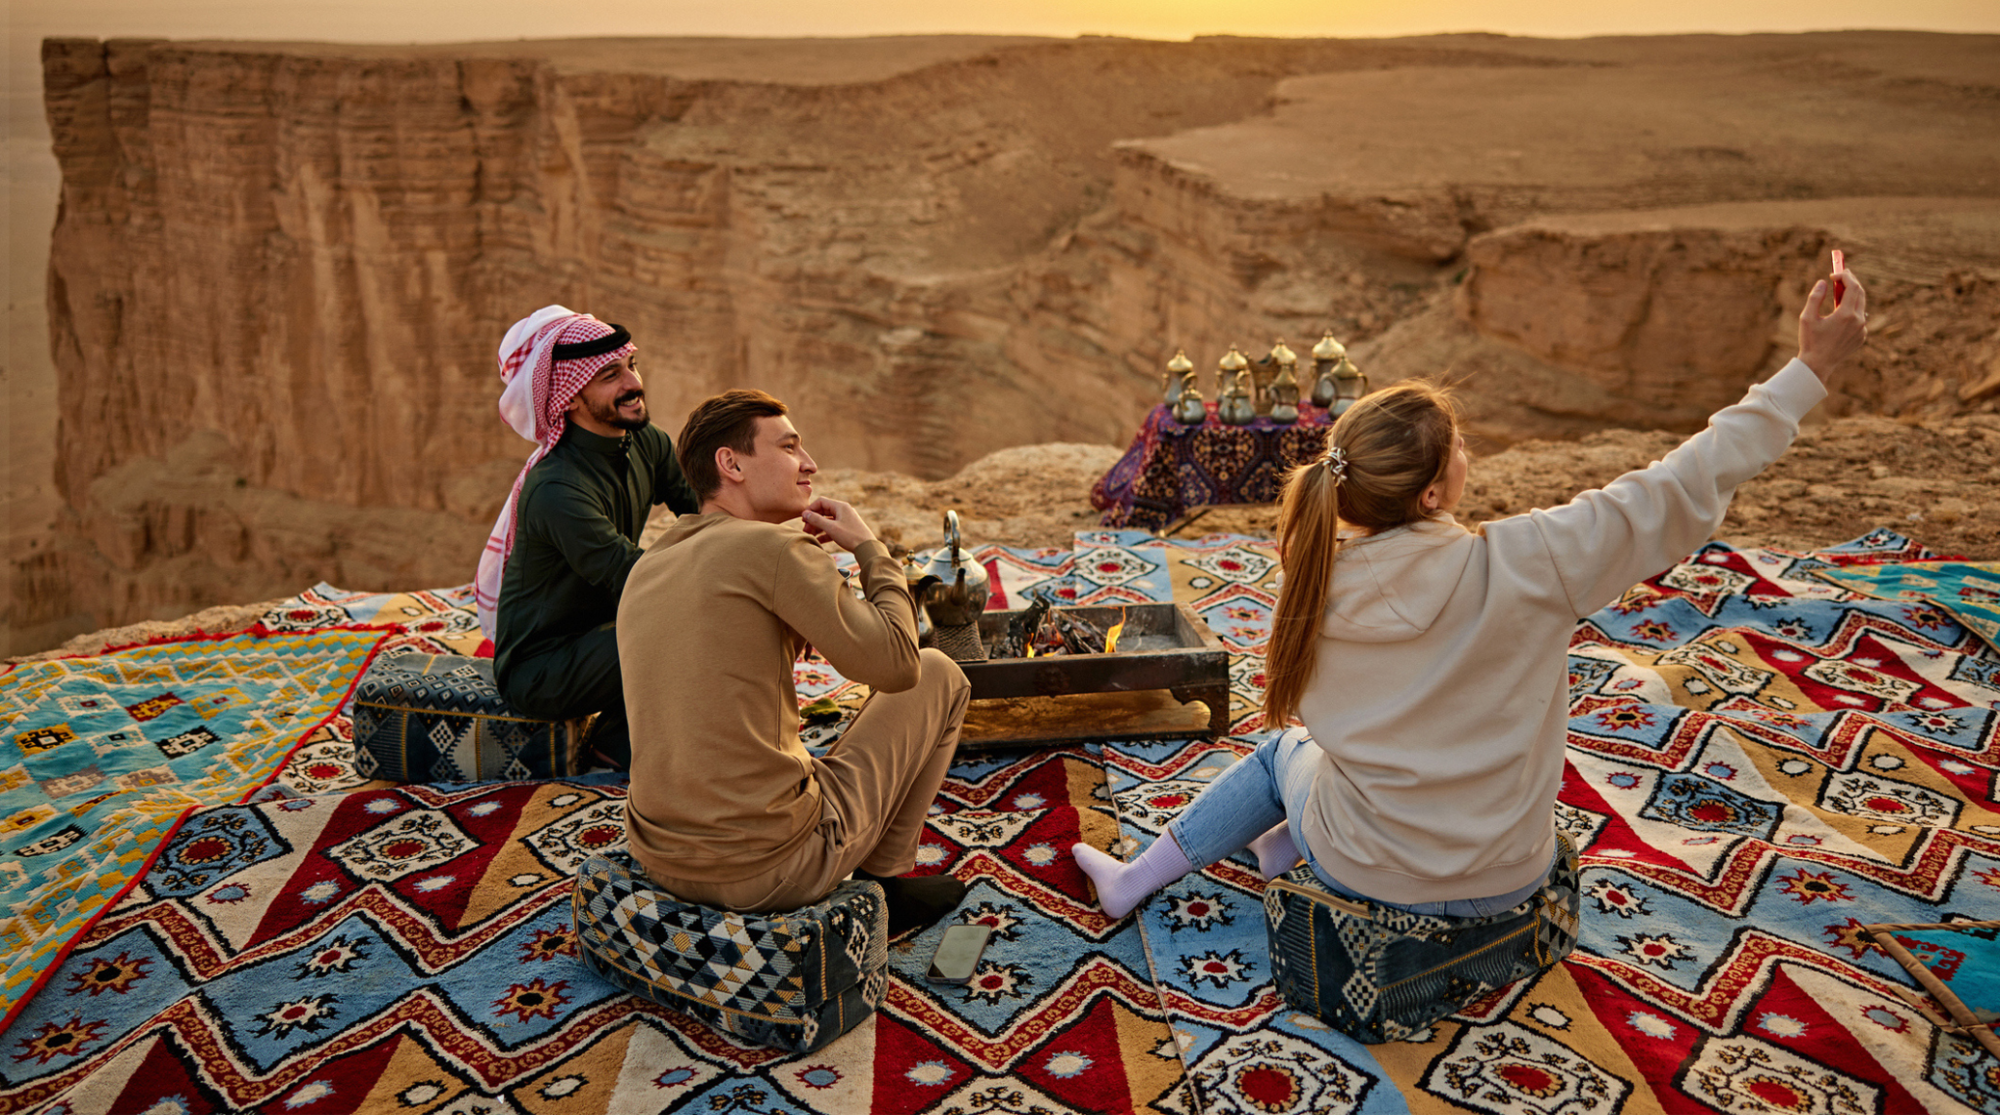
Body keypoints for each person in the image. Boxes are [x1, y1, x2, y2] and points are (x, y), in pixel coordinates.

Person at [1074, 265, 1870, 929]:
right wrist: (1809, 370)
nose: (1468, 450)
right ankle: (1283, 847)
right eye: (1458, 445)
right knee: (1328, 760)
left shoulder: (1312, 576)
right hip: (1507, 877)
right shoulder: (1533, 560)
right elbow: (1682, 481)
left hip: (1372, 868)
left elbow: (1329, 725)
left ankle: (1137, 880)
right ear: (1429, 495)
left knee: (1286, 751)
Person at [618, 389, 971, 936]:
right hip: (769, 867)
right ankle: (888, 885)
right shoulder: (775, 550)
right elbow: (898, 665)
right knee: (939, 672)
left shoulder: (648, 566)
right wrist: (871, 550)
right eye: (788, 447)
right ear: (730, 464)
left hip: (660, 859)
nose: (810, 464)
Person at [476, 307, 701, 770]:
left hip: (602, 634)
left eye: (631, 367)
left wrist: (770, 566)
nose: (633, 384)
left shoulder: (646, 442)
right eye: (610, 375)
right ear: (570, 398)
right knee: (688, 627)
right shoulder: (557, 488)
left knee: (702, 616)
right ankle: (613, 748)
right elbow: (635, 576)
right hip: (542, 668)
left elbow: (705, 509)